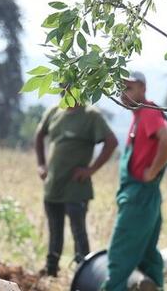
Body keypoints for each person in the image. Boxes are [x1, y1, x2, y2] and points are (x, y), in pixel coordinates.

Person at [98, 71, 167, 291]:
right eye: (121, 88)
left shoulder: (148, 112)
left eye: (129, 88)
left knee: (120, 251)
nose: (124, 93)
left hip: (140, 197)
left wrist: (152, 171)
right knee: (147, 253)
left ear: (143, 88)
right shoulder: (139, 115)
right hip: (146, 197)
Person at [34, 98, 118, 276]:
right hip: (53, 183)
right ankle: (51, 269)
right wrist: (41, 164)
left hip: (76, 186)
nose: (66, 90)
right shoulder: (54, 110)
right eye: (62, 86)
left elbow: (111, 142)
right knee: (55, 230)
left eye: (71, 85)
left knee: (78, 232)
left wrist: (90, 170)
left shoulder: (91, 115)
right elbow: (40, 134)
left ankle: (84, 274)